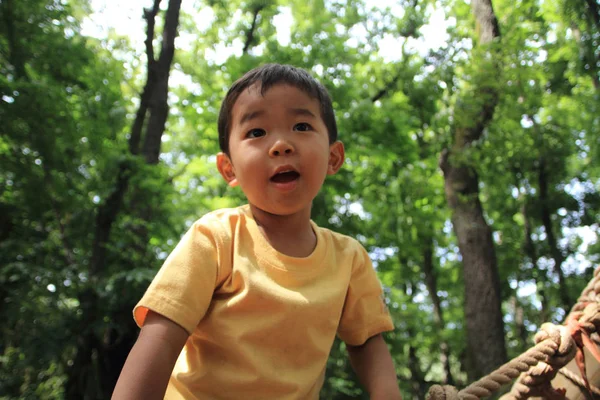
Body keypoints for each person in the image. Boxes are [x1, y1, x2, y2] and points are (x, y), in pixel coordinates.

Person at [112, 64, 401, 400]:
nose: (280, 144)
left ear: (334, 157)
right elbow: (160, 339)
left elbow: (366, 342)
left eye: (301, 126)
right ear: (229, 168)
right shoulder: (215, 238)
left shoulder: (349, 259)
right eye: (256, 132)